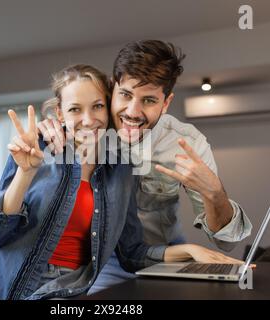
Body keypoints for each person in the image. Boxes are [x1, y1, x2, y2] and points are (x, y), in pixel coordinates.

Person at [0, 64, 243, 300]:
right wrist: (25, 173)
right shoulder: (37, 148)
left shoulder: (120, 169)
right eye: (75, 109)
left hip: (67, 290)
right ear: (60, 114)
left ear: (109, 107)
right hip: (2, 286)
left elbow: (132, 253)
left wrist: (191, 251)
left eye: (97, 106)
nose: (89, 120)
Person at [37, 40, 253, 294]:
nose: (132, 111)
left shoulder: (186, 143)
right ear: (111, 89)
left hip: (167, 257)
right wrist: (48, 127)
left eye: (149, 100)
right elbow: (67, 116)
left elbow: (224, 241)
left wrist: (215, 193)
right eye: (126, 95)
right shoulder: (94, 127)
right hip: (102, 263)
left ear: (166, 102)